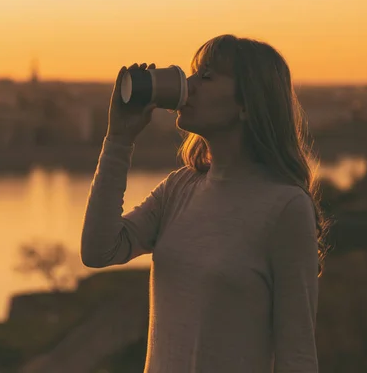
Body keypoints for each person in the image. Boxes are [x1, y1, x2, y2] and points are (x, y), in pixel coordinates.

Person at [80, 34, 329, 373]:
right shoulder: (180, 187)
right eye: (193, 73)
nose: (188, 84)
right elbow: (99, 250)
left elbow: (297, 354)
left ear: (248, 104)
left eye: (207, 76)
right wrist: (119, 139)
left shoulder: (285, 207)